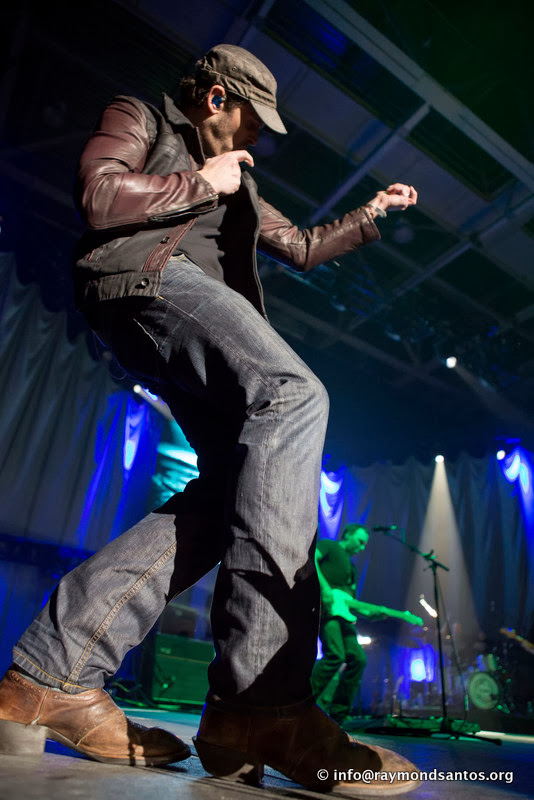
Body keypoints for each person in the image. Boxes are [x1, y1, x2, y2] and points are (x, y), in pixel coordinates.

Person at [0, 44, 420, 794]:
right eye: (255, 121)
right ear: (217, 97)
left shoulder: (245, 183)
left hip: (192, 312)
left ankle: (50, 675)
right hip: (145, 283)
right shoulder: (140, 117)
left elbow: (301, 247)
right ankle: (259, 702)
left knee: (232, 495)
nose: (258, 139)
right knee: (294, 393)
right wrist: (198, 182)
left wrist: (371, 213)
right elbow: (99, 195)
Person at [312, 524, 377, 723]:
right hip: (326, 612)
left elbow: (351, 602)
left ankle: (338, 715)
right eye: (360, 541)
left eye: (365, 544)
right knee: (335, 654)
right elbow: (311, 559)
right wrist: (324, 588)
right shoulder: (329, 546)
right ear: (348, 534)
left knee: (358, 659)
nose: (362, 547)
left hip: (343, 616)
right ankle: (301, 702)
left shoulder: (352, 569)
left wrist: (372, 614)